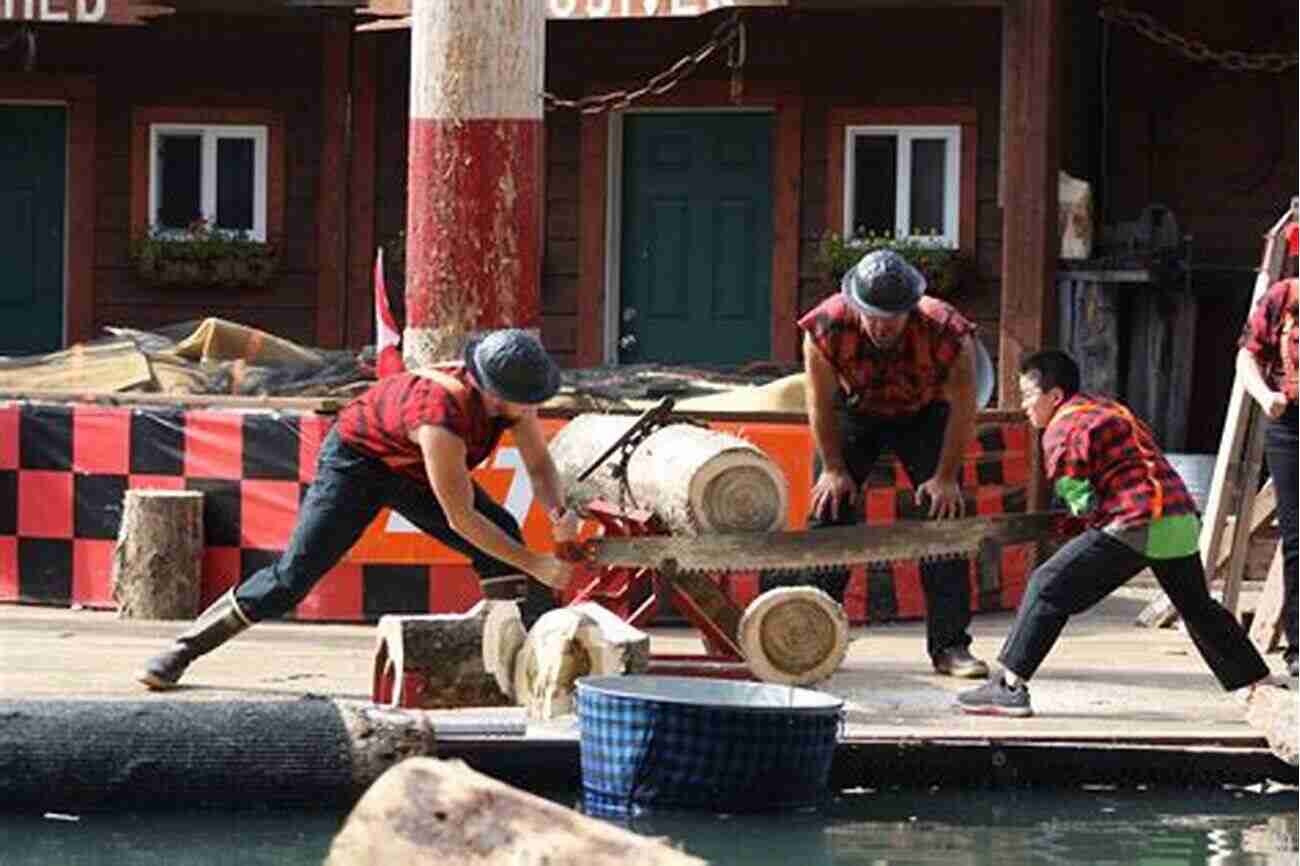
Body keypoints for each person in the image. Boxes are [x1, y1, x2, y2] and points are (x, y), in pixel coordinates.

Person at [137, 328, 580, 690]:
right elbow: (460, 517)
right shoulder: (439, 416)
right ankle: (184, 648)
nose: (535, 405)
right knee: (291, 578)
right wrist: (534, 563)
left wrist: (558, 513)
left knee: (501, 532)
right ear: (493, 391)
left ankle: (528, 666)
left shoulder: (513, 404)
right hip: (357, 463)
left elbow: (539, 465)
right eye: (529, 397)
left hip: (409, 469)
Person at [957, 350, 1272, 717]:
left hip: (1137, 520)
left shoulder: (1062, 427)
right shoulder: (1108, 408)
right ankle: (1257, 682)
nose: (1025, 406)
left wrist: (1075, 520)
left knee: (1046, 585)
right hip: (1180, 519)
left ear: (1055, 397)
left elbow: (1080, 498)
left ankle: (1009, 686)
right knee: (1198, 608)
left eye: (1029, 395)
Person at [794, 248, 988, 678]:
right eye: (872, 316)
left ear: (910, 309)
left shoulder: (948, 330)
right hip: (855, 410)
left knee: (945, 523)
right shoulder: (824, 326)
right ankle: (811, 639)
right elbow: (819, 402)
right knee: (829, 511)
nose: (882, 326)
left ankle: (950, 646)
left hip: (924, 412)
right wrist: (833, 467)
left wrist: (945, 476)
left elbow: (964, 407)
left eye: (892, 318)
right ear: (855, 304)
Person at [1236, 221, 1298, 678]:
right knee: (1297, 538)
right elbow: (1247, 354)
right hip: (1291, 422)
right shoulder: (1281, 298)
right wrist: (1264, 396)